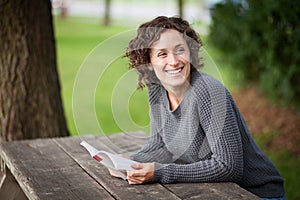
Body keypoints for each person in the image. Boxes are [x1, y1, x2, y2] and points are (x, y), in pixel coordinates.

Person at [110, 16, 285, 199]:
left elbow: (229, 167)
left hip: (256, 193)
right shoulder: (157, 89)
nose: (174, 61)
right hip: (217, 192)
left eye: (179, 50)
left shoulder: (208, 92)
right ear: (149, 61)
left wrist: (159, 172)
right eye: (162, 54)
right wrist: (131, 162)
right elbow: (161, 145)